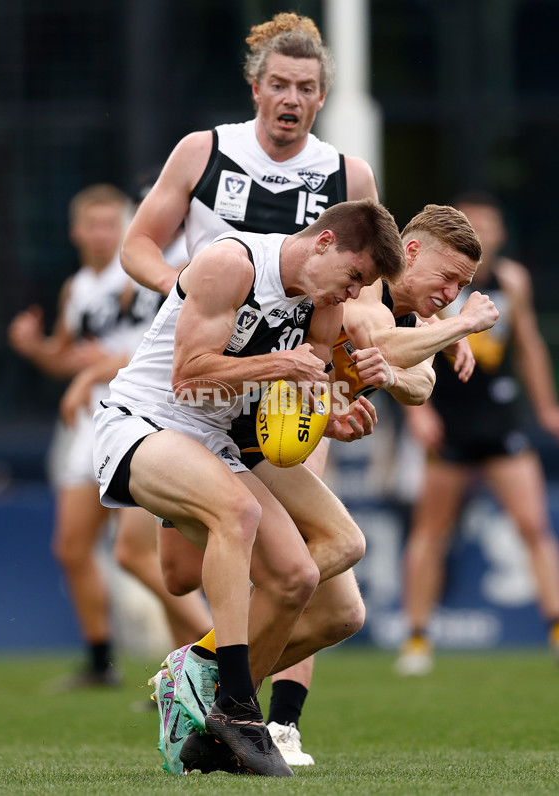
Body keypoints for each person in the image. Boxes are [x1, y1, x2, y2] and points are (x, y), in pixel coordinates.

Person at [153, 203, 499, 774]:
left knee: (338, 606)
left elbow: (417, 384)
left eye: (464, 286)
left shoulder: (413, 322)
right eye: (449, 277)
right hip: (215, 422)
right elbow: (381, 347)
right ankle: (216, 681)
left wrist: (416, 353)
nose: (454, 292)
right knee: (180, 573)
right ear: (408, 254)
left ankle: (229, 693)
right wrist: (460, 328)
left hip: (267, 440)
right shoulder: (360, 292)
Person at [120, 10, 379, 765]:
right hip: (204, 380)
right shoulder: (205, 151)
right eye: (277, 84)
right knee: (177, 573)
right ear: (255, 87)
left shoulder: (346, 176)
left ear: (322, 96)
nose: (289, 97)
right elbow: (140, 243)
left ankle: (266, 715)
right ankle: (208, 670)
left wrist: (374, 341)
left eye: (304, 86)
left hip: (288, 389)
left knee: (308, 565)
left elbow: (364, 281)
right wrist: (187, 293)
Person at [93, 199, 407, 776]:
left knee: (308, 579)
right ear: (324, 242)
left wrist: (330, 415)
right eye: (354, 276)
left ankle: (205, 707)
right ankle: (236, 706)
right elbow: (187, 376)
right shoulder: (232, 263)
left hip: (218, 442)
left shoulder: (322, 305)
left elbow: (299, 396)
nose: (352, 293)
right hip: (145, 424)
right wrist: (278, 367)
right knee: (237, 514)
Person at [8, 184, 211, 690]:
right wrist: (34, 350)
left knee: (140, 557)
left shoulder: (146, 274)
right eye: (92, 224)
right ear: (77, 231)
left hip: (145, 414)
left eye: (111, 222)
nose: (102, 233)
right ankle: (103, 662)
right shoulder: (77, 289)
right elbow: (66, 355)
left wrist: (90, 371)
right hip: (90, 426)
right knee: (73, 548)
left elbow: (166, 347)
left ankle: (213, 652)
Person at [396, 192, 559, 676]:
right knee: (433, 529)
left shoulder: (512, 281)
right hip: (444, 414)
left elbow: (528, 344)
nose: (483, 232)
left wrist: (546, 406)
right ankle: (418, 638)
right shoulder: (433, 285)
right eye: (474, 225)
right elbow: (399, 340)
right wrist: (415, 415)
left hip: (501, 416)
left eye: (490, 224)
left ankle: (555, 626)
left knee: (533, 524)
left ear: (501, 234)